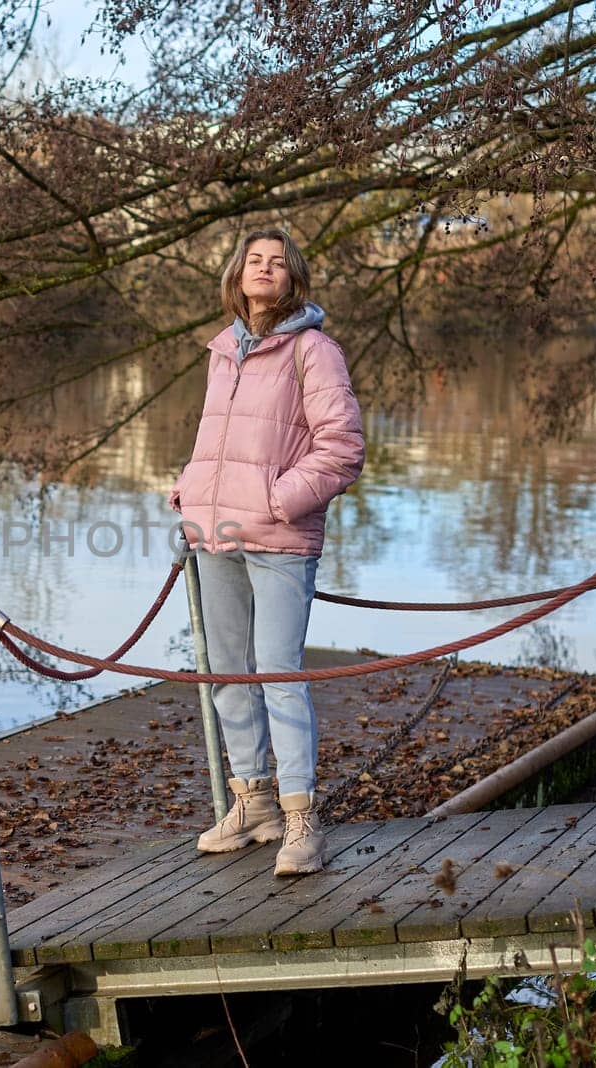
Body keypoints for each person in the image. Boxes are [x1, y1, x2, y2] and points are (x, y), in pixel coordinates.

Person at [168, 228, 364, 876]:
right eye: (255, 259)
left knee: (279, 676)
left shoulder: (314, 350)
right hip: (215, 536)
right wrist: (190, 490)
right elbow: (217, 443)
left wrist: (277, 502)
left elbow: (342, 450)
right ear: (238, 273)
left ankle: (302, 821)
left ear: (293, 279)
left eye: (277, 262)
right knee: (227, 674)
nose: (265, 268)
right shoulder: (223, 351)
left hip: (279, 539)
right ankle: (253, 805)